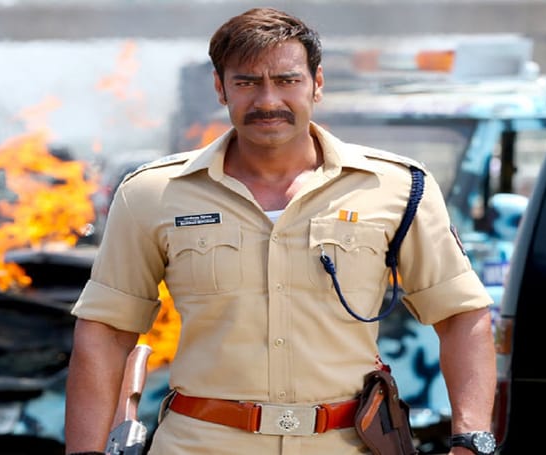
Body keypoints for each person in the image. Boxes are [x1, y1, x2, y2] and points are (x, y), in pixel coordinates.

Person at [65, 7, 497, 455]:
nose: (268, 100)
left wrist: (471, 441)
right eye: (247, 82)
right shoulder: (151, 193)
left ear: (317, 83)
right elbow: (106, 332)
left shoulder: (398, 187)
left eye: (287, 80)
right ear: (220, 88)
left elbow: (460, 314)